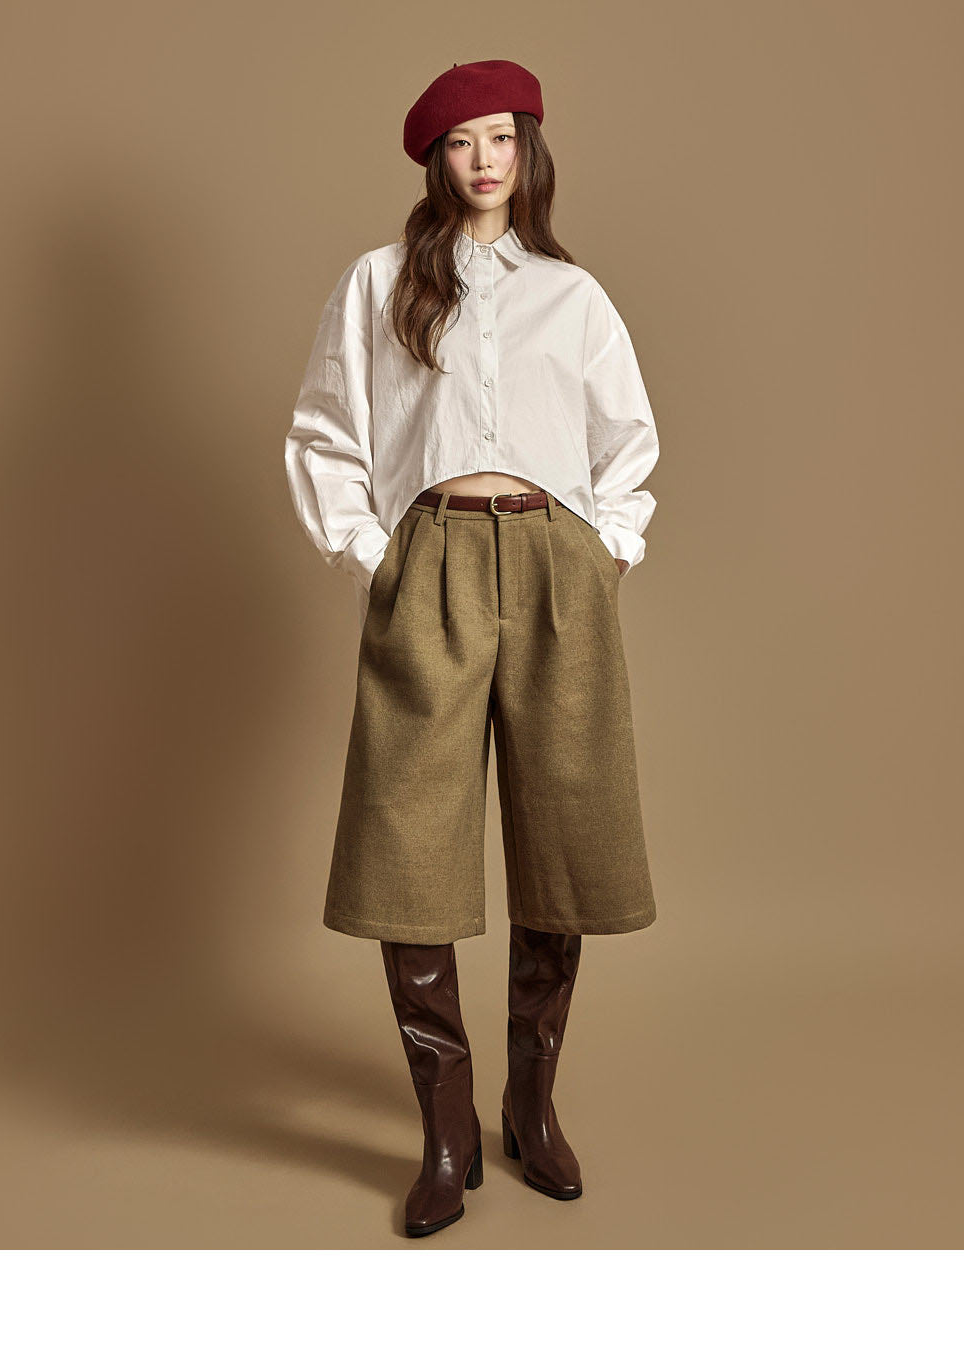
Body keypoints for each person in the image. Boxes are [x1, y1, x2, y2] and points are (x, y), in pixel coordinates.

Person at [284, 59, 660, 1238]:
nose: (483, 159)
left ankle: (529, 1106)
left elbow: (626, 439)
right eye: (459, 141)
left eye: (499, 136)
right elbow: (325, 431)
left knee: (565, 836)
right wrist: (373, 554)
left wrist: (607, 549)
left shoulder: (573, 295)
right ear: (434, 159)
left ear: (527, 149)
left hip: (554, 566)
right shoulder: (380, 281)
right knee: (409, 843)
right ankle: (446, 1132)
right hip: (432, 561)